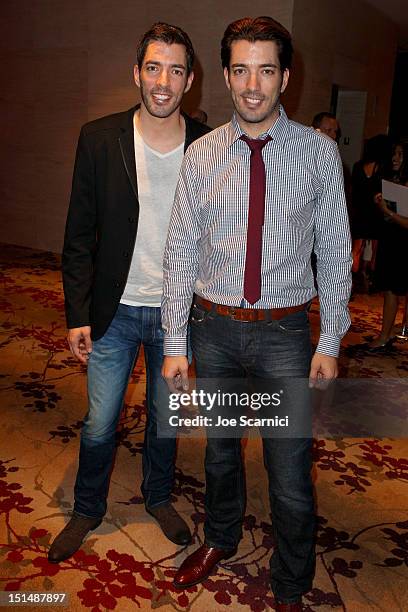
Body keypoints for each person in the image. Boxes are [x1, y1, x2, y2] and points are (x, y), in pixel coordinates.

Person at [161, 16, 352, 611]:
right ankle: (220, 537)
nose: (252, 84)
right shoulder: (201, 154)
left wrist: (332, 338)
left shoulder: (319, 154)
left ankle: (292, 581)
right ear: (224, 75)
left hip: (284, 336)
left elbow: (335, 248)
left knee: (290, 473)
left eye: (266, 70)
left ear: (284, 78)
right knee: (219, 453)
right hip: (212, 329)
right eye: (240, 69)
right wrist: (173, 344)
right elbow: (181, 249)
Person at [48, 22, 210, 564]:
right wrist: (77, 314)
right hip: (114, 310)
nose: (164, 81)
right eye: (154, 67)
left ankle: (159, 497)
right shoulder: (99, 138)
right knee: (100, 419)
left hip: (176, 318)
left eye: (176, 70)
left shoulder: (208, 147)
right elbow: (77, 236)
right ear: (136, 72)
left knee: (168, 418)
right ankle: (87, 506)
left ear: (190, 80)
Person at [368, 141, 408, 349]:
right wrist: (380, 203)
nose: (395, 158)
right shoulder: (391, 179)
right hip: (390, 240)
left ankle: (385, 335)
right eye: (394, 153)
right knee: (390, 288)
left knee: (394, 289)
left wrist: (388, 211)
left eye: (400, 154)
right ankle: (396, 329)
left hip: (403, 244)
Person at [351, 135, 391, 290]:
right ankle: (370, 279)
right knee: (374, 249)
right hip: (375, 213)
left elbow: (354, 191)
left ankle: (354, 279)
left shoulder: (358, 166)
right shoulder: (382, 168)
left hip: (360, 211)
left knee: (357, 248)